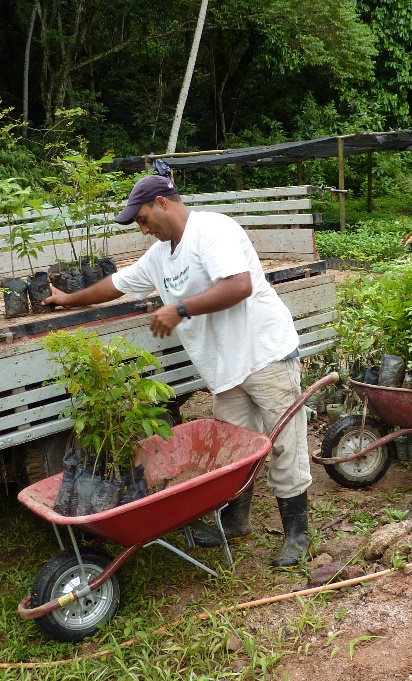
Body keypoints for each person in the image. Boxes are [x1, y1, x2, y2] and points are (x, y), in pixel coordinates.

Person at [42, 174, 312, 568]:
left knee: (285, 443)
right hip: (224, 368)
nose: (143, 228)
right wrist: (69, 299)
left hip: (263, 353)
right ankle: (236, 521)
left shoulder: (211, 230)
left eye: (144, 219)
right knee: (234, 450)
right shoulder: (159, 257)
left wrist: (179, 308)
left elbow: (239, 286)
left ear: (163, 203)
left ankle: (297, 533)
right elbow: (116, 284)